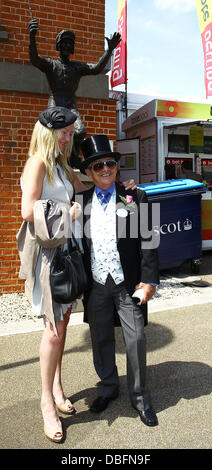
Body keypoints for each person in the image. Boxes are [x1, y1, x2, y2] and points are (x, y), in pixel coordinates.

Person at [17, 107, 137, 443]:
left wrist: (119, 185)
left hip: (67, 255)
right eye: (66, 132)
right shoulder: (37, 162)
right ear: (49, 132)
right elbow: (27, 209)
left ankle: (56, 387)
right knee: (53, 332)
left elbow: (91, 184)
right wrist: (65, 213)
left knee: (64, 324)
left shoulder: (61, 165)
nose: (70, 137)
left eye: (71, 132)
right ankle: (46, 404)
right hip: (48, 256)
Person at [78, 134, 160, 427]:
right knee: (100, 339)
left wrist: (149, 280)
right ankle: (108, 387)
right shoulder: (81, 202)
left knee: (136, 338)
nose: (104, 169)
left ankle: (140, 398)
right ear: (88, 172)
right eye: (97, 165)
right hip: (96, 283)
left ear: (116, 166)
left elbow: (149, 241)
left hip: (128, 283)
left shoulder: (134, 197)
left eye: (109, 163)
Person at [28, 18, 121, 166]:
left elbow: (96, 68)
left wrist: (109, 50)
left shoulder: (77, 67)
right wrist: (32, 37)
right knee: (52, 132)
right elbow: (35, 59)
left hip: (70, 102)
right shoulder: (51, 65)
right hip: (56, 101)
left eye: (69, 43)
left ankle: (71, 158)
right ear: (58, 45)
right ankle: (52, 158)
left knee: (79, 131)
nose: (67, 45)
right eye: (64, 42)